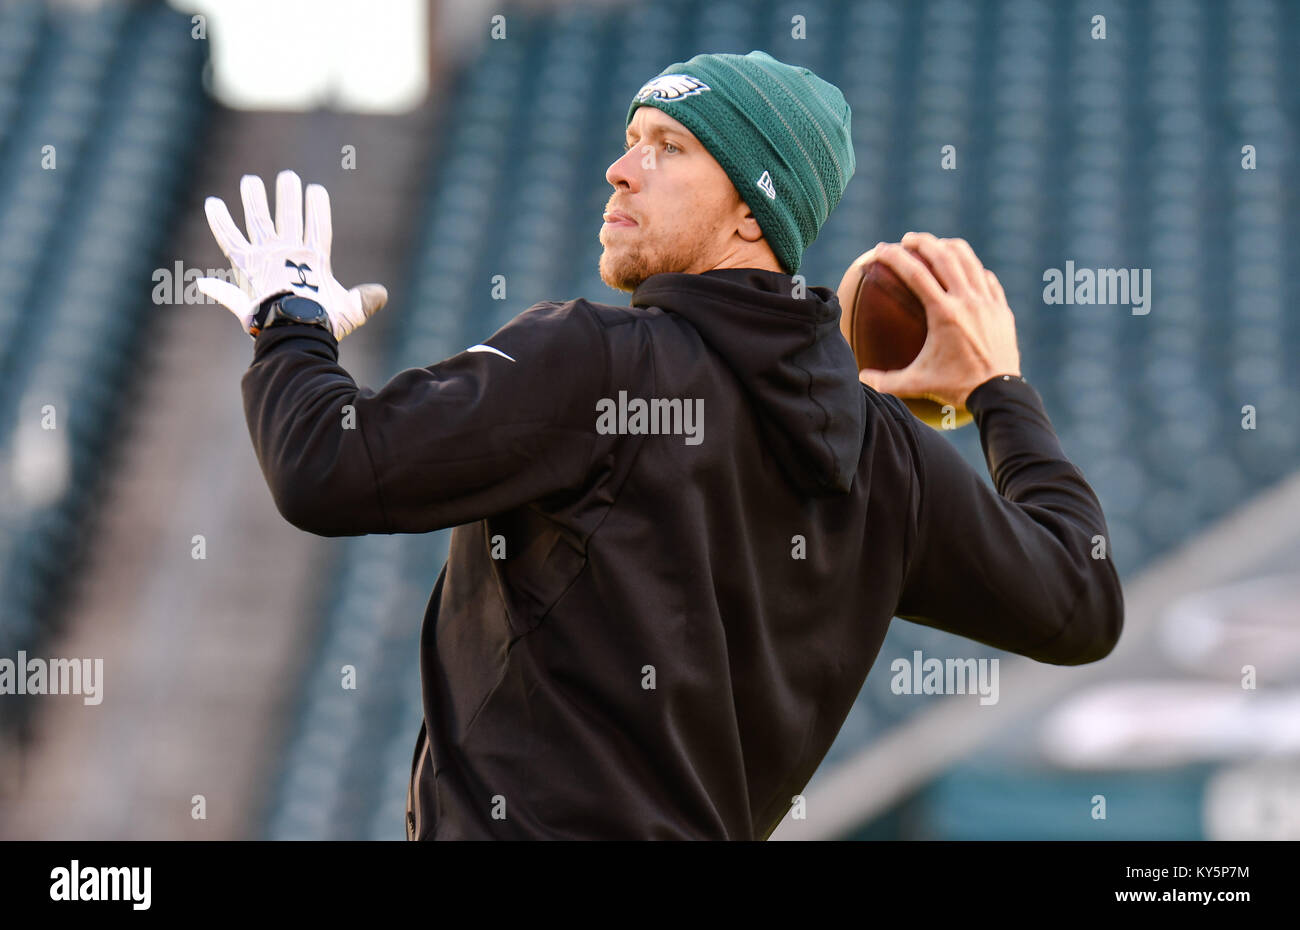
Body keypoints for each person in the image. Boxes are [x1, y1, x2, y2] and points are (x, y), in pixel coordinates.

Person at [197, 50, 1123, 840]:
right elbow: (1079, 602)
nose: (621, 168)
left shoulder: (596, 360)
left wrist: (290, 322)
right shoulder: (887, 457)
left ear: (754, 211)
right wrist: (998, 392)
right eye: (632, 138)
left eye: (668, 148)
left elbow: (325, 466)